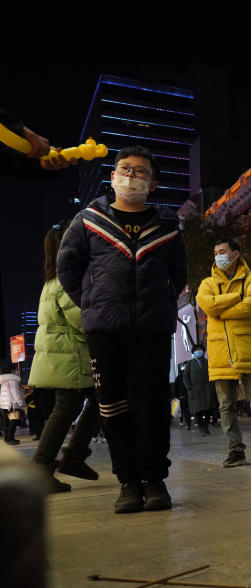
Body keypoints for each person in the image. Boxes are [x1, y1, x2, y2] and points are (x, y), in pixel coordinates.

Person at [58, 144, 187, 513]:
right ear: (112, 176)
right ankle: (128, 481)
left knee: (152, 405)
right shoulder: (88, 220)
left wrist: (161, 302)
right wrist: (92, 302)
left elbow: (178, 273)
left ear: (154, 183)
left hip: (152, 329)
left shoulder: (167, 225)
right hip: (104, 330)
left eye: (141, 172)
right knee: (113, 405)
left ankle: (154, 478)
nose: (131, 177)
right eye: (125, 169)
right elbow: (68, 269)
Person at [28, 223, 101, 492]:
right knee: (77, 405)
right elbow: (82, 322)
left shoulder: (52, 280)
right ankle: (56, 462)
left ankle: (71, 457)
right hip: (68, 354)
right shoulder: (67, 280)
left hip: (61, 354)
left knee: (82, 403)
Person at [196, 238, 251, 467]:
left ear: (235, 254)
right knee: (226, 406)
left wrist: (220, 310)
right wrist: (236, 297)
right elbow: (208, 306)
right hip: (219, 352)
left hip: (246, 350)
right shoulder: (207, 284)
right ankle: (236, 450)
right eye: (215, 252)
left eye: (222, 251)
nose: (218, 256)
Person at [182, 348, 216, 436]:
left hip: (207, 389)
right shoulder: (190, 363)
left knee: (208, 409)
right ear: (193, 352)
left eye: (200, 350)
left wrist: (212, 386)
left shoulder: (208, 362)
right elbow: (185, 377)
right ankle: (201, 427)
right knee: (198, 411)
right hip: (195, 391)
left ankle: (205, 425)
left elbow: (213, 373)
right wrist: (189, 387)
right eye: (196, 350)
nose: (198, 351)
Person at [0, 365, 26, 444]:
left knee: (6, 422)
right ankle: (11, 439)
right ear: (12, 371)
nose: (16, 371)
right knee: (13, 421)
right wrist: (21, 403)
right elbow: (15, 393)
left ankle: (7, 438)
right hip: (12, 404)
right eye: (15, 369)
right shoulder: (13, 380)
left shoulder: (4, 381)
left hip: (4, 404)